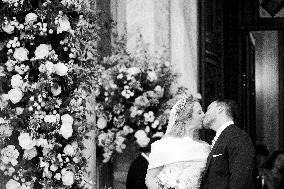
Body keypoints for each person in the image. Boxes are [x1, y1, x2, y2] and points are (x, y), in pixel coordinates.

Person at [145, 94, 210, 189]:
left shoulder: (205, 147)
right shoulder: (164, 145)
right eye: (199, 112)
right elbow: (150, 180)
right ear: (187, 118)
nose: (204, 115)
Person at [200, 99, 255, 189]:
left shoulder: (238, 137)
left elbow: (240, 181)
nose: (204, 114)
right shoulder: (222, 137)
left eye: (209, 109)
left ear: (220, 109)